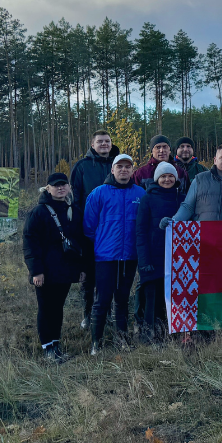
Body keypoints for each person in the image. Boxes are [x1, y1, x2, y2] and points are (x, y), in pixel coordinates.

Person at [83, 153, 146, 355]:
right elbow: (89, 227)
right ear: (112, 169)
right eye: (120, 166)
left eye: (128, 167)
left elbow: (143, 226)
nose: (124, 170)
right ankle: (96, 343)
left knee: (122, 299)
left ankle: (122, 338)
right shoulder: (99, 193)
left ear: (132, 170)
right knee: (101, 300)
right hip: (105, 258)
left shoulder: (140, 194)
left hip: (129, 257)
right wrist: (103, 244)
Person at [23, 172, 86, 362]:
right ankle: (47, 348)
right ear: (47, 188)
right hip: (45, 272)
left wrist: (82, 269)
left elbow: (82, 241)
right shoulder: (39, 212)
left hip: (65, 271)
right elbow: (30, 243)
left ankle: (56, 345)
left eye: (63, 185)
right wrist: (36, 271)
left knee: (58, 308)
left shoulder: (74, 210)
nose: (60, 188)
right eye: (55, 185)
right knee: (45, 308)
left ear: (68, 187)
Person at [69, 130, 117, 329]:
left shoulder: (118, 165)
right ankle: (88, 314)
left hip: (114, 231)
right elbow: (75, 198)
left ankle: (111, 313)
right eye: (100, 141)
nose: (104, 144)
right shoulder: (82, 166)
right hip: (89, 230)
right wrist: (79, 227)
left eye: (107, 141)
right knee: (89, 276)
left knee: (111, 276)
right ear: (92, 144)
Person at [134, 162, 182, 341]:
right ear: (157, 179)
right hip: (153, 257)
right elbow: (140, 230)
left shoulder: (181, 197)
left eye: (170, 176)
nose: (167, 179)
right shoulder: (147, 199)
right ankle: (148, 335)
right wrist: (144, 260)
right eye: (163, 176)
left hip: (176, 258)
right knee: (151, 298)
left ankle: (170, 333)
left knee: (171, 298)